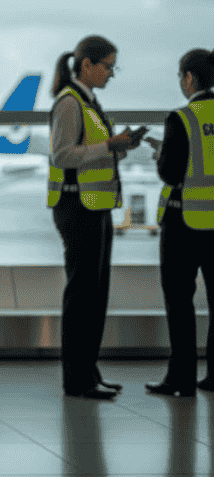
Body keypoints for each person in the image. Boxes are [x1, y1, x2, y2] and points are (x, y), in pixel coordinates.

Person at [47, 35, 143, 400]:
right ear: (87, 64)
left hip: (95, 205)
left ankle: (88, 371)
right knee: (82, 295)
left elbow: (90, 153)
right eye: (108, 66)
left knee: (95, 293)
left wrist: (119, 147)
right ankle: (77, 379)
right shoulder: (70, 103)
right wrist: (108, 145)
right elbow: (62, 155)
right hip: (77, 207)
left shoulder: (89, 102)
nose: (111, 74)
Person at [145, 47, 214, 397]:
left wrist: (162, 153)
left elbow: (171, 173)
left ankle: (181, 378)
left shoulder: (183, 118)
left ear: (189, 78)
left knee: (180, 302)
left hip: (184, 223)